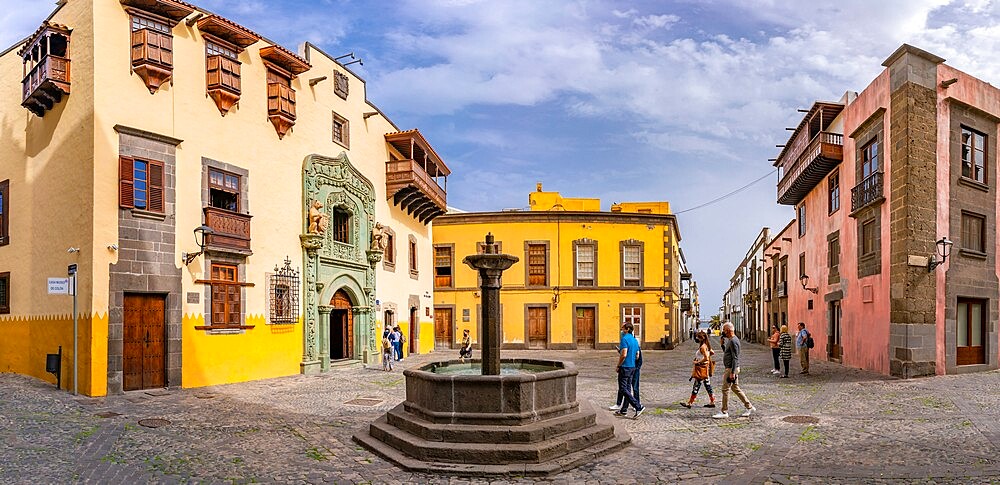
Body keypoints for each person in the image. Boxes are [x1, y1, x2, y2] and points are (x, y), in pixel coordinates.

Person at [712, 322, 755, 419]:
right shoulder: (730, 340)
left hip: (731, 368)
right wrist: (722, 345)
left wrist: (732, 372)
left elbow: (735, 357)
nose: (723, 332)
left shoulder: (733, 341)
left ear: (728, 330)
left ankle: (724, 411)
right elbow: (728, 354)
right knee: (735, 388)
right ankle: (749, 407)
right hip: (732, 368)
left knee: (725, 390)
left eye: (724, 330)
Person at [613, 322, 645, 418]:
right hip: (632, 367)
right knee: (627, 389)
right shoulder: (635, 340)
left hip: (625, 367)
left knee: (623, 389)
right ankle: (624, 410)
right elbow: (637, 355)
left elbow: (624, 354)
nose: (621, 330)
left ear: (627, 329)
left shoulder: (624, 339)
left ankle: (638, 406)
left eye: (622, 328)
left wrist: (619, 365)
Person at [681, 330, 716, 408]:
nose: (696, 338)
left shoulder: (703, 347)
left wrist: (698, 362)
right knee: (707, 385)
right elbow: (712, 353)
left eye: (698, 337)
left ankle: (690, 403)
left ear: (701, 338)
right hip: (705, 368)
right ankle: (712, 401)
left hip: (701, 368)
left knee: (696, 386)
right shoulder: (706, 345)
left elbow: (706, 358)